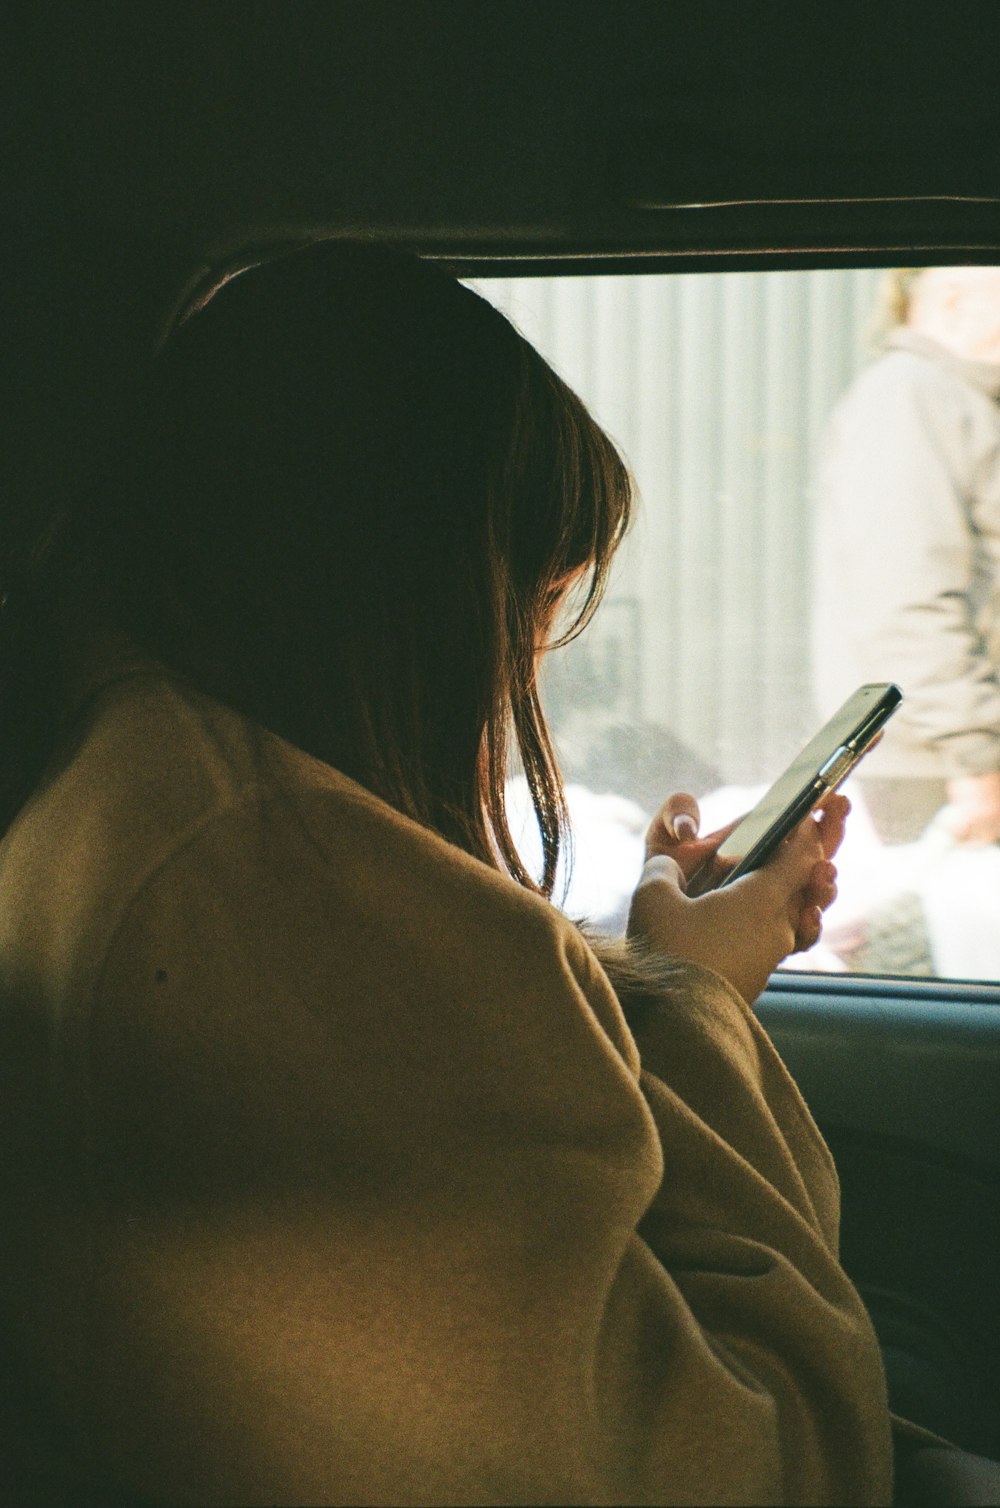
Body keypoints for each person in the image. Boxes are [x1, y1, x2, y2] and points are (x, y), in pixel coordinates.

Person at [0, 239, 900, 1505]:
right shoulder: (263, 879)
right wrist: (693, 1010)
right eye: (525, 621)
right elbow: (756, 1463)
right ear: (408, 601)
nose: (517, 684)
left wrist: (656, 966)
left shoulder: (137, 786)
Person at [812, 265, 1000, 848]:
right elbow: (907, 601)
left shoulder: (956, 399)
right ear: (952, 300)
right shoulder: (913, 395)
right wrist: (977, 759)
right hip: (943, 767)